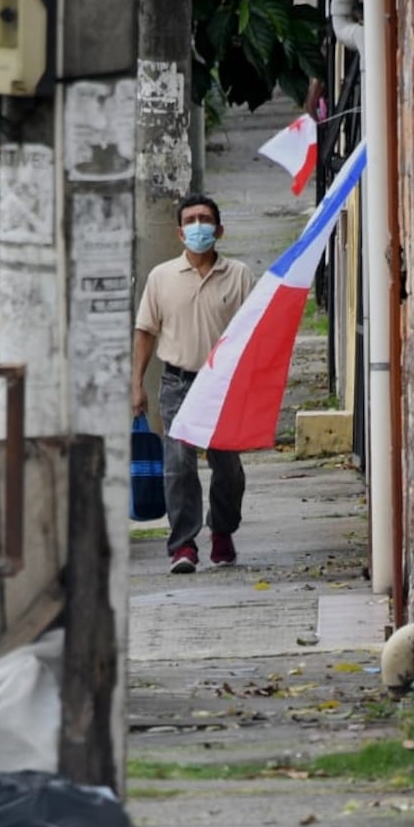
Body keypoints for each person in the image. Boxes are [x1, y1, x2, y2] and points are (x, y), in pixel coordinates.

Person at [132, 194, 255, 574]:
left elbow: (252, 333)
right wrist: (136, 384)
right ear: (180, 231)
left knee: (228, 468)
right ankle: (183, 545)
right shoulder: (161, 277)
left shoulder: (238, 275)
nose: (197, 225)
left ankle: (222, 531)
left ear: (219, 230)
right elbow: (145, 332)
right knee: (179, 464)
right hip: (177, 384)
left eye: (204, 219)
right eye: (190, 219)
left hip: (223, 386)